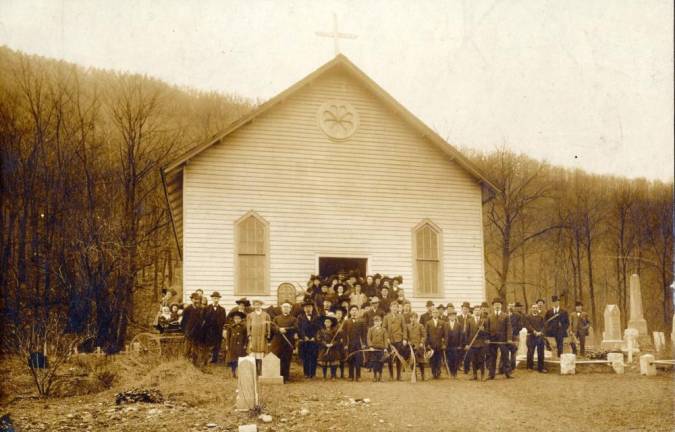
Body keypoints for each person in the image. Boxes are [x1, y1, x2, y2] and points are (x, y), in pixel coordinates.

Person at [270, 302, 298, 383]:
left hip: (288, 342)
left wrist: (285, 329)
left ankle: (285, 378)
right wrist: (278, 329)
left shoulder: (294, 319)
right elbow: (272, 327)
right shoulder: (276, 318)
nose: (286, 308)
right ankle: (276, 376)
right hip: (277, 343)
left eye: (287, 307)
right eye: (284, 307)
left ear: (290, 309)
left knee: (286, 360)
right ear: (281, 309)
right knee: (276, 359)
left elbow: (295, 328)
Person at [486, 298, 513, 379]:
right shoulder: (489, 316)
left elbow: (509, 328)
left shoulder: (505, 316)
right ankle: (491, 374)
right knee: (492, 357)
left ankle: (508, 373)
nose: (497, 306)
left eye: (499, 304)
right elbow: (487, 329)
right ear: (493, 306)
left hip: (503, 340)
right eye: (495, 305)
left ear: (501, 306)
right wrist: (487, 338)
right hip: (492, 340)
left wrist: (509, 339)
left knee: (505, 356)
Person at [382, 301, 408, 380]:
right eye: (393, 307)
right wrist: (386, 338)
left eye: (396, 307)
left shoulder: (401, 317)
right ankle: (391, 375)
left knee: (398, 358)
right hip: (390, 340)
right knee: (390, 358)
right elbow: (384, 329)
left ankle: (398, 376)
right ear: (390, 308)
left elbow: (404, 328)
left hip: (399, 340)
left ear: (398, 308)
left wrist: (404, 339)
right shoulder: (386, 317)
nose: (394, 309)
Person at [246, 299, 271, 375]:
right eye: (256, 304)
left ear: (261, 305)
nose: (257, 306)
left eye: (259, 304)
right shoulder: (250, 315)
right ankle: (255, 370)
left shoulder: (266, 315)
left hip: (262, 336)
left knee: (261, 353)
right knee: (254, 352)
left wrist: (268, 334)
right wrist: (249, 334)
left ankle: (261, 370)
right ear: (254, 306)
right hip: (254, 336)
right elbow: (248, 326)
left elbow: (268, 325)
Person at [297, 300, 320, 379]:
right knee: (305, 357)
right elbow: (299, 329)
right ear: (304, 309)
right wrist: (304, 337)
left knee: (313, 357)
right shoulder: (300, 317)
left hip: (314, 341)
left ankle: (313, 374)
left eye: (310, 307)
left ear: (312, 308)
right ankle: (306, 373)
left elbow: (318, 328)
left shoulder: (316, 317)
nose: (308, 309)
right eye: (306, 307)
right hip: (305, 341)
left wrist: (315, 337)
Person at [465, 305, 489, 381]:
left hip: (481, 344)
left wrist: (483, 330)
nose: (477, 311)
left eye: (478, 310)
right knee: (473, 360)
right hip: (472, 344)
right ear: (473, 312)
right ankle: (474, 375)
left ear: (480, 311)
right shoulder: (469, 321)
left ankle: (482, 375)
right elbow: (466, 333)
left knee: (481, 360)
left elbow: (487, 333)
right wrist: (467, 344)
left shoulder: (484, 321)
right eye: (475, 310)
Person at [344, 305, 367, 381]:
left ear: (358, 312)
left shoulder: (362, 321)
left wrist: (363, 343)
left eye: (355, 310)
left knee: (358, 360)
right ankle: (350, 376)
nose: (354, 312)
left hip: (358, 343)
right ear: (350, 312)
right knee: (350, 359)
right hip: (350, 344)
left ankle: (358, 376)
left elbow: (364, 334)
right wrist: (345, 344)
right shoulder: (347, 322)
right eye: (352, 310)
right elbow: (344, 335)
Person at [204, 292, 227, 364]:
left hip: (218, 331)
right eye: (214, 298)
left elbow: (223, 320)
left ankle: (214, 360)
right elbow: (204, 319)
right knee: (208, 345)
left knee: (217, 345)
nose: (216, 300)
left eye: (217, 298)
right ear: (212, 299)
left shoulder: (222, 309)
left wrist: (222, 329)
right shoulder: (207, 308)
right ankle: (206, 360)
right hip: (208, 330)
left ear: (219, 299)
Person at [181, 292, 204, 365]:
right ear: (191, 300)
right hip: (189, 331)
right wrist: (186, 331)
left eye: (197, 299)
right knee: (187, 348)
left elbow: (201, 321)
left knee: (196, 349)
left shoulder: (200, 309)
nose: (196, 301)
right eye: (195, 299)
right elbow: (183, 322)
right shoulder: (187, 309)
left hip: (197, 332)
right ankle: (185, 363)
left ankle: (195, 363)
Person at [317, 315, 342, 379]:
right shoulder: (321, 331)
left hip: (333, 348)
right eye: (326, 322)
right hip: (324, 348)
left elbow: (338, 340)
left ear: (331, 323)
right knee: (324, 363)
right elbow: (319, 339)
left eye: (329, 322)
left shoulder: (335, 331)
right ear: (324, 323)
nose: (327, 323)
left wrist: (333, 344)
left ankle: (333, 375)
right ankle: (324, 376)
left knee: (333, 362)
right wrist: (325, 344)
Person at [525, 303, 548, 373]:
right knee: (530, 352)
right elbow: (527, 325)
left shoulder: (541, 317)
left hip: (539, 337)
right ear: (531, 309)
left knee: (541, 352)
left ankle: (540, 368)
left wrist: (541, 332)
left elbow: (544, 326)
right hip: (531, 336)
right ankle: (529, 367)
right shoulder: (528, 317)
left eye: (536, 308)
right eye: (533, 308)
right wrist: (534, 331)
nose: (535, 309)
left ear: (538, 309)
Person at [224, 311, 247, 377]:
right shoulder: (230, 327)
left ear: (241, 319)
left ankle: (238, 372)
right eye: (235, 319)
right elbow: (228, 337)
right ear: (234, 319)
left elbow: (245, 337)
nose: (237, 320)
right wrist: (227, 345)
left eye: (238, 319)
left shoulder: (244, 327)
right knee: (232, 359)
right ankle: (233, 371)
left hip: (240, 345)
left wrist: (245, 344)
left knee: (239, 359)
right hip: (232, 345)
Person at [366, 315, 389, 382]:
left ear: (381, 322)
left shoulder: (384, 330)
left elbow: (385, 339)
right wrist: (370, 346)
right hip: (374, 349)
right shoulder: (371, 329)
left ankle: (380, 376)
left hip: (381, 349)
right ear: (374, 322)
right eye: (375, 321)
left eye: (378, 321)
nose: (377, 323)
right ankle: (375, 376)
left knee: (381, 362)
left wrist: (385, 348)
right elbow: (368, 339)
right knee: (374, 362)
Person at [424, 307, 446, 379]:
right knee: (432, 359)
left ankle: (438, 372)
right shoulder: (428, 323)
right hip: (431, 345)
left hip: (439, 344)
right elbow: (426, 334)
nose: (435, 314)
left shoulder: (442, 323)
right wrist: (427, 344)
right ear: (431, 314)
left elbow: (445, 335)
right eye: (434, 313)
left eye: (436, 313)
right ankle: (434, 372)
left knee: (439, 359)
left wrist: (444, 344)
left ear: (438, 314)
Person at [407, 311, 427, 380]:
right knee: (412, 362)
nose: (413, 319)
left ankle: (423, 375)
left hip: (419, 346)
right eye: (412, 318)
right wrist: (408, 341)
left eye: (415, 318)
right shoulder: (408, 326)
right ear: (410, 319)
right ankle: (414, 375)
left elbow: (424, 335)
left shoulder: (420, 325)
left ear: (417, 318)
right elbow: (406, 336)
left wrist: (421, 342)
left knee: (421, 361)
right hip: (411, 347)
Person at [445, 310, 463, 378]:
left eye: (453, 316)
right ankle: (450, 372)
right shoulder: (446, 324)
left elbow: (461, 336)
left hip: (456, 345)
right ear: (448, 317)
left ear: (455, 317)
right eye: (450, 316)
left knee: (455, 359)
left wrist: (460, 345)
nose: (452, 317)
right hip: (448, 345)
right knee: (449, 359)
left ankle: (455, 373)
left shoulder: (458, 325)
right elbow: (444, 335)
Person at [507, 302, 525, 372]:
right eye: (509, 306)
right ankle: (503, 367)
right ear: (507, 307)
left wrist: (513, 331)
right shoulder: (505, 315)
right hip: (506, 336)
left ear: (514, 308)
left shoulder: (518, 316)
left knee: (513, 351)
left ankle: (512, 367)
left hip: (515, 336)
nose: (510, 308)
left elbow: (520, 326)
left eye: (512, 306)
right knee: (504, 352)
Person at [457, 301, 472, 374]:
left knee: (468, 352)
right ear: (462, 309)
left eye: (467, 309)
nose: (465, 310)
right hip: (460, 338)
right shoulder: (458, 318)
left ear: (469, 310)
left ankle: (467, 367)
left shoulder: (471, 317)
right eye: (464, 308)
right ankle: (459, 365)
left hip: (468, 337)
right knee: (460, 352)